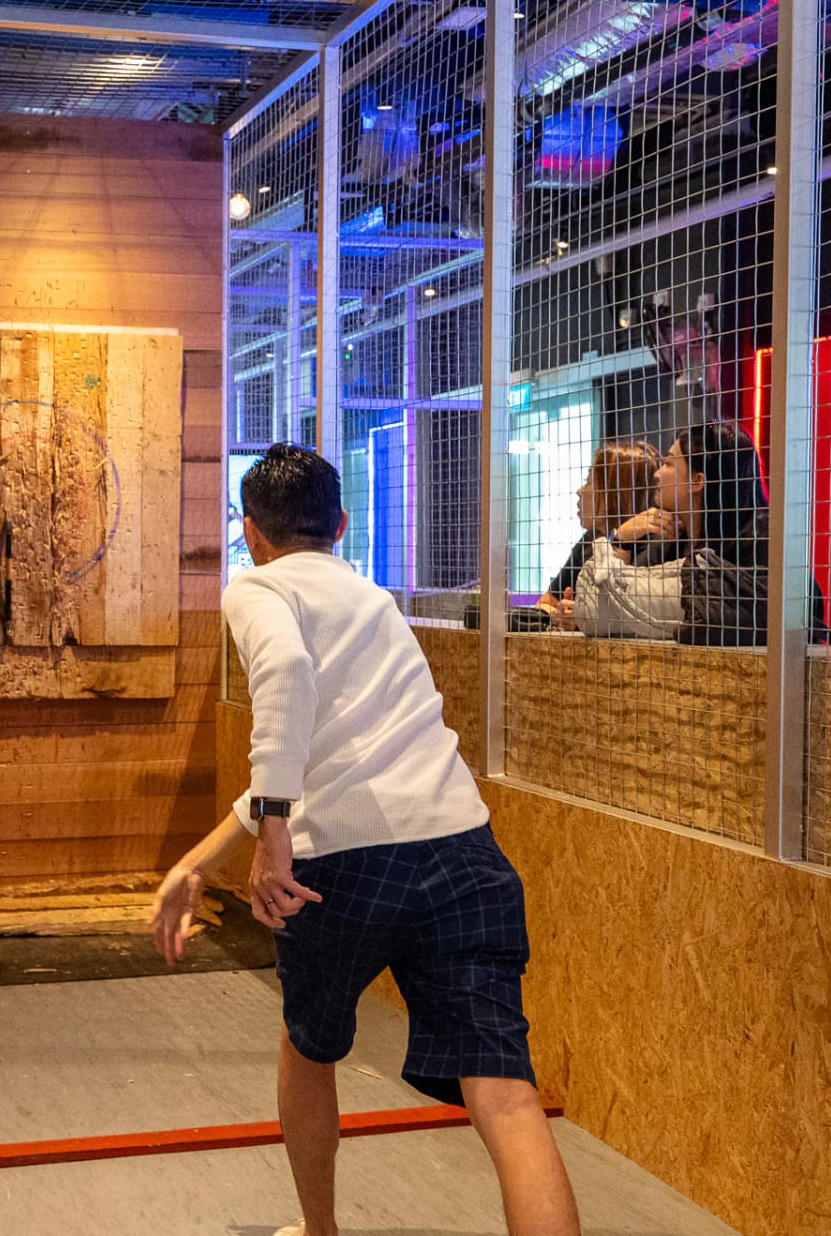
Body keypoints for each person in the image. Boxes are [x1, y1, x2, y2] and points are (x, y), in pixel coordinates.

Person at [150, 444, 580, 1236]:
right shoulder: (370, 599)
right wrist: (198, 862)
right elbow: (308, 757)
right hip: (463, 853)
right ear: (341, 524)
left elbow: (282, 679)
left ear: (251, 533)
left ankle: (321, 1233)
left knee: (308, 1049)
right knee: (507, 1094)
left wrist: (273, 835)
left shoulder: (258, 588)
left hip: (343, 869)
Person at [575, 421, 818, 646]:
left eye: (669, 463)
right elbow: (622, 600)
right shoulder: (668, 539)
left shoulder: (760, 536)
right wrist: (621, 539)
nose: (657, 474)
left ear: (697, 481)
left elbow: (804, 604)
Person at [535, 441, 660, 630]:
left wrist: (583, 618)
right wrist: (561, 614)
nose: (580, 491)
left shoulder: (653, 544)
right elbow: (545, 603)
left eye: (589, 481)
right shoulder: (591, 539)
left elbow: (625, 614)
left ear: (616, 491)